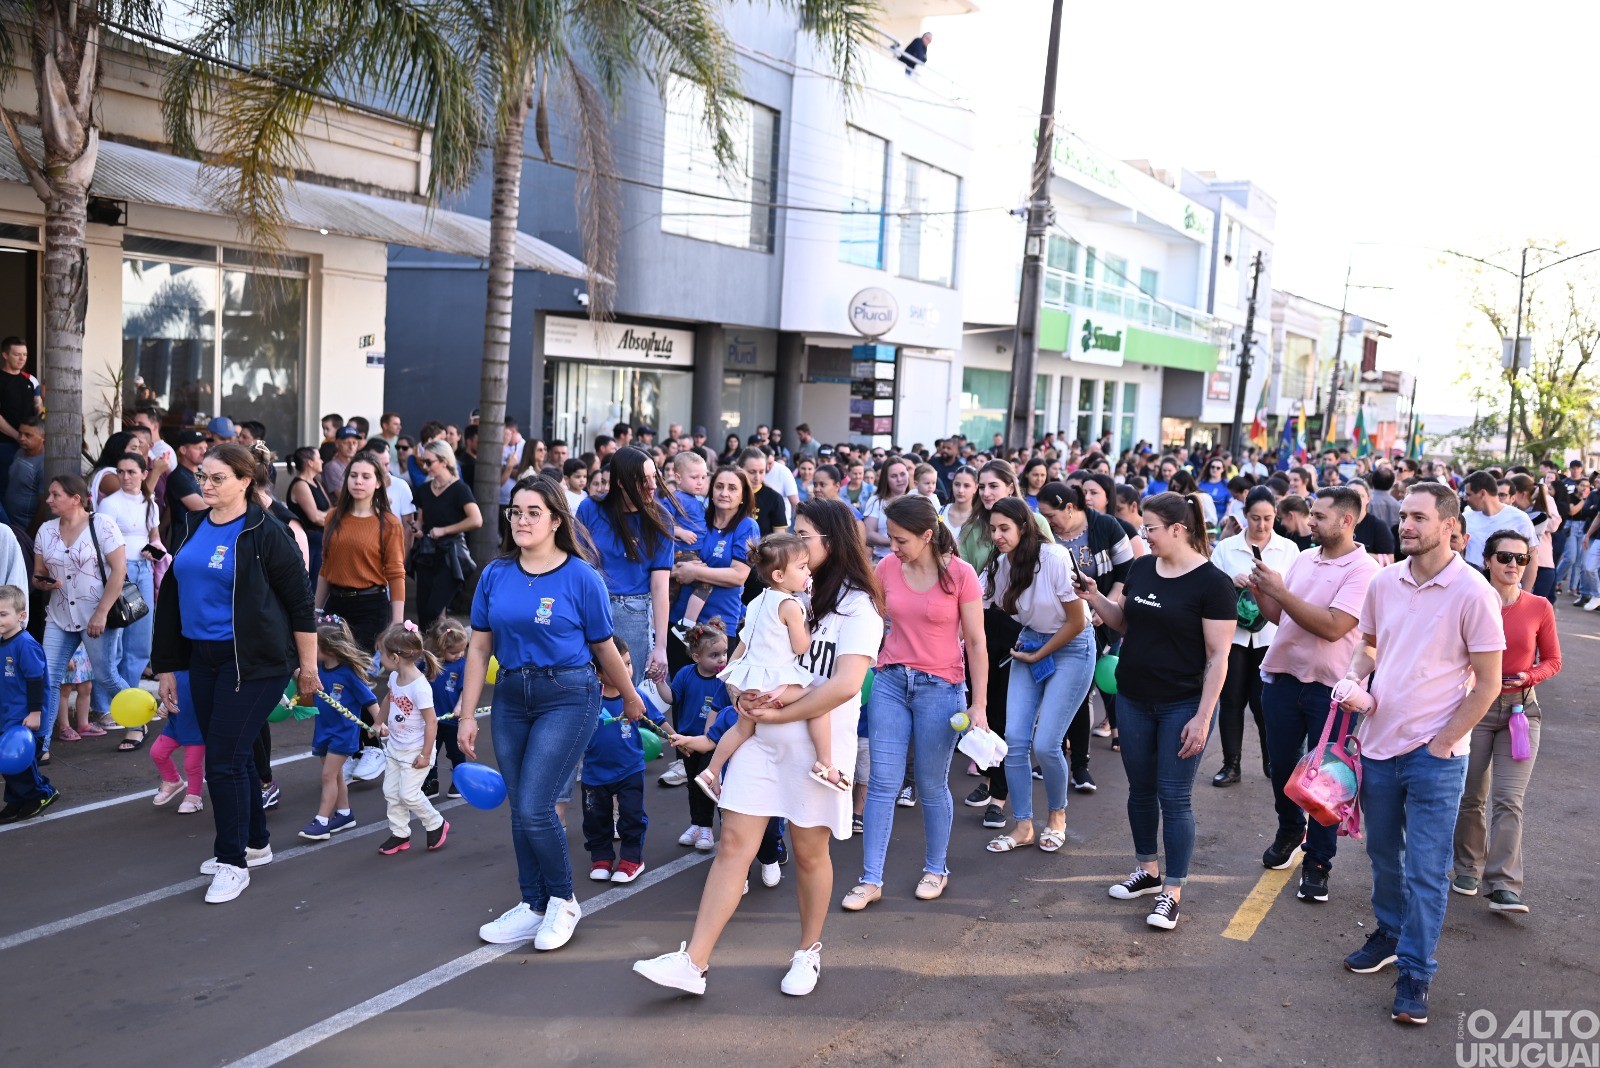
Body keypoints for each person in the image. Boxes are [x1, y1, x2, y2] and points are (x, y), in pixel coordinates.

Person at [634, 498, 884, 996]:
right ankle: (694, 962)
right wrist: (739, 696)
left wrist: (777, 713)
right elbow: (741, 658)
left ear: (831, 542)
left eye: (805, 533)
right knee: (732, 844)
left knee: (809, 853)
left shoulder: (858, 604)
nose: (795, 539)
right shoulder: (773, 592)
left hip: (816, 750)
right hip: (759, 743)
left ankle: (808, 951)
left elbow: (844, 685)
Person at [1335, 482, 1504, 1025]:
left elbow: (1488, 683)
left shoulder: (1474, 592)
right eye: (1403, 516)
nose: (1404, 525)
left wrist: (1441, 742)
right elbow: (1369, 644)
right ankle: (1389, 932)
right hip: (1379, 748)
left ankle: (1415, 971)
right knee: (1384, 856)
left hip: (1436, 759)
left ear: (1450, 526)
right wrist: (1352, 676)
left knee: (1427, 871)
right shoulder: (1385, 582)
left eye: (1417, 518)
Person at [464, 476, 642, 952]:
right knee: (520, 809)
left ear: (556, 520)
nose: (521, 520)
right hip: (511, 697)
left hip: (568, 693)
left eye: (533, 512)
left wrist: (629, 694)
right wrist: (466, 715)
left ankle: (562, 901)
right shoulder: (495, 574)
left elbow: (604, 645)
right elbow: (479, 649)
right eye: (515, 512)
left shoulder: (582, 577)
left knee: (535, 806)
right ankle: (532, 904)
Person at [152, 442, 319, 904]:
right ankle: (256, 842)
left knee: (222, 761)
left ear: (246, 481)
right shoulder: (190, 524)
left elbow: (301, 604)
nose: (205, 485)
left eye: (216, 478)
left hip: (255, 661)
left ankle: (232, 861)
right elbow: (171, 596)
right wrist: (168, 666)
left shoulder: (267, 532)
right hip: (201, 658)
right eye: (201, 476)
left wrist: (308, 668)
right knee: (237, 755)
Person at [1075, 492, 1235, 931]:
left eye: (1150, 528)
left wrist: (1203, 717)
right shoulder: (1143, 568)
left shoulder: (1212, 583)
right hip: (1133, 698)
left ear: (1178, 530)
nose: (1143, 535)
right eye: (1143, 527)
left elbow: (1219, 656)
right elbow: (1123, 622)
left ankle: (1173, 892)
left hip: (1183, 704)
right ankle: (1147, 872)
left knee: (1175, 796)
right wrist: (1094, 597)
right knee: (1140, 791)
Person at [844, 494, 986, 909]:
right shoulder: (887, 568)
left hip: (941, 688)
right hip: (890, 681)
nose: (893, 547)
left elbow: (976, 643)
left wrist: (979, 704)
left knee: (929, 783)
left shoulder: (961, 575)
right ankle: (870, 880)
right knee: (884, 784)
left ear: (928, 535)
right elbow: (862, 614)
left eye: (901, 539)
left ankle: (936, 868)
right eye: (889, 538)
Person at [1245, 487, 1378, 901]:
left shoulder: (1364, 569)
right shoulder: (1305, 558)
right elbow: (1280, 616)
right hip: (1283, 677)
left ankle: (1319, 861)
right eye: (1311, 515)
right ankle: (1289, 831)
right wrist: (1258, 588)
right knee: (1282, 767)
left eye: (1319, 516)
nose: (1310, 522)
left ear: (1346, 521)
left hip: (1332, 691)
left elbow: (1334, 626)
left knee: (1326, 781)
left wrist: (1280, 591)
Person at [1451, 530, 1560, 914]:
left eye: (1521, 558)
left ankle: (1504, 884)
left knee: (1509, 800)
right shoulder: (1469, 601)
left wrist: (1528, 677)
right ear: (1488, 561)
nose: (1513, 564)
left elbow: (1553, 660)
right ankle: (1467, 867)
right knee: (1471, 795)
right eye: (1504, 557)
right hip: (1475, 708)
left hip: (1520, 712)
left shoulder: (1539, 606)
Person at [979, 497, 1094, 854]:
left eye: (1004, 528)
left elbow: (1077, 622)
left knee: (1046, 743)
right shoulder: (999, 567)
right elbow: (968, 602)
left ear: (1024, 527)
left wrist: (1037, 653)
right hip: (1029, 645)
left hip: (1072, 646)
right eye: (993, 529)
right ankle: (1024, 826)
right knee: (1014, 740)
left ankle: (1057, 817)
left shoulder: (1055, 558)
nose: (997, 535)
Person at [956, 460, 1054, 825]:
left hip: (1021, 623)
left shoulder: (1036, 523)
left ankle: (1000, 795)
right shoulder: (972, 527)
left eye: (993, 485)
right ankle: (989, 777)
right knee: (980, 705)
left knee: (1005, 711)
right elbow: (961, 574)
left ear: (1011, 487)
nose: (985, 492)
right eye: (981, 486)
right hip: (982, 621)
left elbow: (1048, 572)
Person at [695, 534, 826, 794]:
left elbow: (746, 642)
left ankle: (711, 771)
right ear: (779, 575)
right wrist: (808, 622)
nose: (807, 571)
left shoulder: (757, 601)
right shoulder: (791, 605)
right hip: (774, 682)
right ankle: (825, 761)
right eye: (802, 567)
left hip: (749, 680)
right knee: (819, 700)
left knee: (741, 729)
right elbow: (801, 646)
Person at [1035, 480, 1133, 794]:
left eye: (1051, 515)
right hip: (1053, 623)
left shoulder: (1106, 526)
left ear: (1070, 507)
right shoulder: (1044, 534)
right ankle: (1051, 754)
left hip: (1100, 620)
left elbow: (1126, 573)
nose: (1047, 521)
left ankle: (1080, 765)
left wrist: (1105, 606)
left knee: (1080, 689)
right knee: (1053, 689)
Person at [33, 475, 136, 756]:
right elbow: (38, 573)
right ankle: (41, 744)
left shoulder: (102, 525)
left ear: (76, 498)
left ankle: (137, 722)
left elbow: (119, 570)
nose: (49, 500)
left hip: (96, 614)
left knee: (106, 676)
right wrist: (43, 582)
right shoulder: (46, 530)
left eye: (55, 495)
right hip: (59, 614)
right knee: (49, 678)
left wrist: (102, 613)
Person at [1208, 487, 1299, 787]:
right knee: (1231, 700)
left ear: (1277, 516)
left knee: (1265, 703)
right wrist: (1228, 583)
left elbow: (1297, 593)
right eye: (1255, 518)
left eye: (1268, 518)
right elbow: (1209, 591)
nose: (1261, 525)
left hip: (1271, 636)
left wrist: (1273, 586)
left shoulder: (1289, 550)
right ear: (1244, 516)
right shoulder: (1226, 548)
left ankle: (1271, 761)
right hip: (1232, 636)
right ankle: (1230, 764)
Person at [577, 447, 674, 687]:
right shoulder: (590, 508)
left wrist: (661, 647)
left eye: (655, 477)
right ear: (620, 482)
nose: (652, 485)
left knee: (625, 692)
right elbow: (576, 565)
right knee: (582, 686)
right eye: (644, 480)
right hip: (590, 606)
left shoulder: (660, 519)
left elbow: (661, 587)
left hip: (632, 610)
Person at [583, 637, 668, 883]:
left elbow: (657, 721)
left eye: (629, 664)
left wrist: (675, 738)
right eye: (618, 666)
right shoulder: (589, 698)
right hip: (594, 772)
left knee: (631, 816)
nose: (627, 671)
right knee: (595, 818)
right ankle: (601, 858)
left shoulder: (633, 696)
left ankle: (632, 859)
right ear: (598, 672)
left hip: (630, 768)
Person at [296, 616, 377, 841]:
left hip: (343, 733)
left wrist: (378, 724)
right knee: (336, 775)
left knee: (327, 776)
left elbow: (369, 700)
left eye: (315, 645)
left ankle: (322, 820)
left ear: (328, 649)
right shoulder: (318, 668)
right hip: (323, 729)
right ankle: (344, 813)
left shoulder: (349, 673)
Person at [372, 622, 448, 856]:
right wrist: (379, 722)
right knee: (391, 792)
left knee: (409, 794)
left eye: (381, 654)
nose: (379, 658)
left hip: (416, 751)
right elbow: (389, 699)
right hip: (396, 747)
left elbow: (432, 722)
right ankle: (400, 833)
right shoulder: (395, 677)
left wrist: (426, 755)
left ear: (395, 657)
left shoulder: (420, 687)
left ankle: (436, 823)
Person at [317, 455, 405, 652]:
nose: (358, 481)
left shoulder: (389, 523)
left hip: (370, 606)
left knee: (356, 671)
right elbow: (326, 566)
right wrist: (316, 610)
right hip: (336, 603)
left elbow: (396, 573)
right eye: (353, 475)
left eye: (366, 477)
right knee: (330, 671)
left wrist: (397, 621)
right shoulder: (333, 516)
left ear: (378, 483)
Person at [96, 452, 161, 699]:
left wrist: (154, 551)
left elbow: (155, 538)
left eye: (132, 472)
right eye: (120, 472)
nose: (125, 477)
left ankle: (129, 699)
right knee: (116, 642)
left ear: (144, 474)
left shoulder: (150, 503)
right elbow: (101, 543)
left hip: (143, 569)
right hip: (117, 572)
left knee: (140, 642)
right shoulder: (109, 503)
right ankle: (104, 706)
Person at [664, 620, 732, 851]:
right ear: (696, 657)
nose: (722, 659)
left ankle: (708, 828)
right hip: (688, 742)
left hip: (713, 742)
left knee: (709, 783)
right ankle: (698, 824)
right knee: (694, 785)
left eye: (724, 653)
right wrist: (658, 682)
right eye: (714, 655)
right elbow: (671, 698)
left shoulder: (726, 679)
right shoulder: (685, 674)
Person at [411, 441, 482, 624]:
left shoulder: (460, 489)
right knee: (424, 610)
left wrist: (444, 530)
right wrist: (416, 528)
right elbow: (420, 519)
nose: (425, 467)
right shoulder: (425, 490)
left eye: (429, 462)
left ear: (444, 461)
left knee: (434, 609)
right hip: (427, 554)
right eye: (423, 462)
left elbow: (476, 520)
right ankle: (432, 650)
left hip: (451, 555)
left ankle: (442, 649)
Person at [0, 583, 54, 822]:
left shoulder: (25, 644)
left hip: (24, 716)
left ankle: (41, 793)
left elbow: (36, 681)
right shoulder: (3, 641)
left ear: (22, 616)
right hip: (7, 713)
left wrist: (35, 713)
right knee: (8, 760)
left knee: (19, 762)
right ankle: (16, 802)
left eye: (3, 614)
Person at [421, 617, 470, 799]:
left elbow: (467, 689)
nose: (459, 654)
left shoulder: (462, 665)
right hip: (431, 721)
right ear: (440, 648)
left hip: (451, 721)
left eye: (462, 650)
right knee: (429, 752)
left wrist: (459, 707)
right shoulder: (428, 663)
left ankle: (459, 782)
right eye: (453, 652)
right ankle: (431, 782)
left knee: (456, 753)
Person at [1461, 470, 1536, 590]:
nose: (1465, 498)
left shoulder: (1519, 518)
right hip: (1471, 589)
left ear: (1482, 493)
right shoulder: (1466, 517)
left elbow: (1531, 556)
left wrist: (1526, 594)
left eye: (1468, 494)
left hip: (1507, 593)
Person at [149, 671, 206, 814]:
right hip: (176, 724)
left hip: (196, 728)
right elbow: (169, 690)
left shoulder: (203, 670)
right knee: (157, 752)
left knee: (192, 765)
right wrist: (164, 704)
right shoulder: (173, 669)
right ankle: (172, 780)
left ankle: (194, 795)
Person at [286, 447, 330, 586]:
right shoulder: (300, 485)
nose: (322, 461)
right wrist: (331, 518)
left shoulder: (316, 481)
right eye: (319, 458)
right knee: (311, 583)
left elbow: (330, 509)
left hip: (321, 539)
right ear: (310, 462)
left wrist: (328, 516)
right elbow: (315, 517)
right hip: (310, 542)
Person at [0, 337, 36, 501]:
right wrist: (17, 436)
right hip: (5, 444)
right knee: (4, 486)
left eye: (25, 355)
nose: (22, 358)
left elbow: (38, 410)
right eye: (17, 354)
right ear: (5, 355)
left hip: (29, 445)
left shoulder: (29, 380)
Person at [165, 429, 209, 552]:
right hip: (185, 542)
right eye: (198, 448)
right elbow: (204, 508)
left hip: (201, 538)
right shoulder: (178, 477)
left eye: (205, 447)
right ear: (183, 450)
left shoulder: (200, 473)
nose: (204, 452)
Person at [861, 457, 912, 562]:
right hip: (883, 558)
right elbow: (868, 534)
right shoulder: (876, 501)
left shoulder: (917, 498)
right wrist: (896, 542)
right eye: (894, 476)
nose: (899, 479)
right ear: (886, 479)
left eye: (902, 474)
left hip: (912, 560)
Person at [5, 416, 44, 529]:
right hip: (9, 520)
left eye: (28, 435)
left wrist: (28, 537)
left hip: (23, 528)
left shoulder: (43, 465)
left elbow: (43, 507)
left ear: (43, 437)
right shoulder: (20, 452)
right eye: (20, 433)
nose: (21, 438)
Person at [321, 426, 362, 498]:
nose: (351, 447)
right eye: (346, 443)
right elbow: (342, 496)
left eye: (354, 443)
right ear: (337, 444)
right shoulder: (332, 466)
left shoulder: (357, 464)